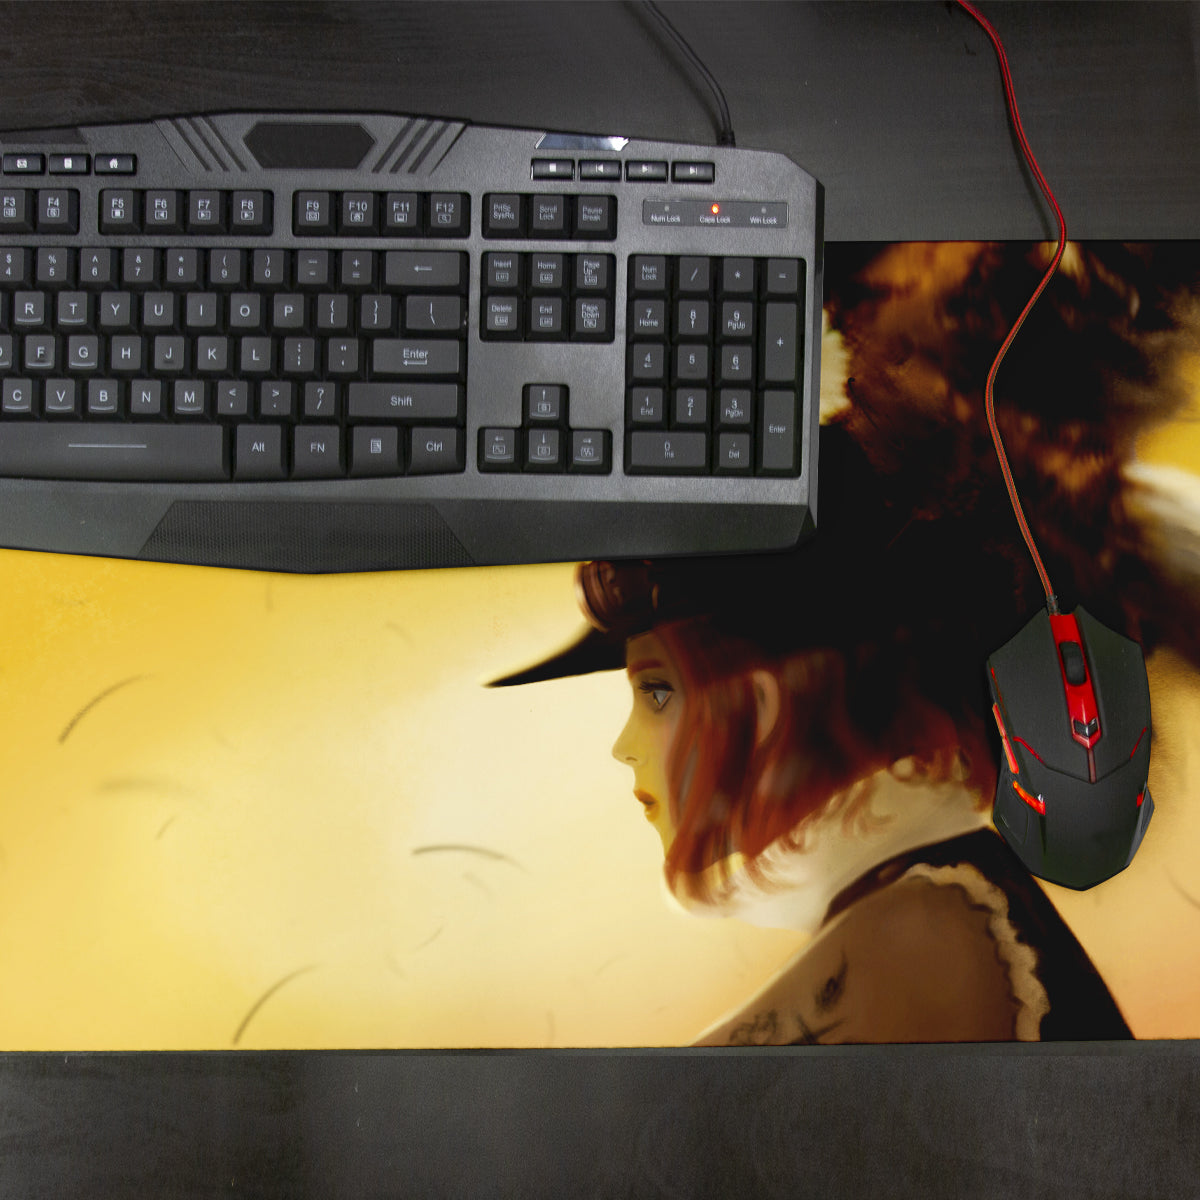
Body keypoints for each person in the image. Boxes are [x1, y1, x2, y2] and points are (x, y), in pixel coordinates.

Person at [490, 240, 1200, 1042]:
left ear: (778, 695)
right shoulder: (931, 908)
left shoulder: (918, 933)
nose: (624, 748)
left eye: (657, 691)